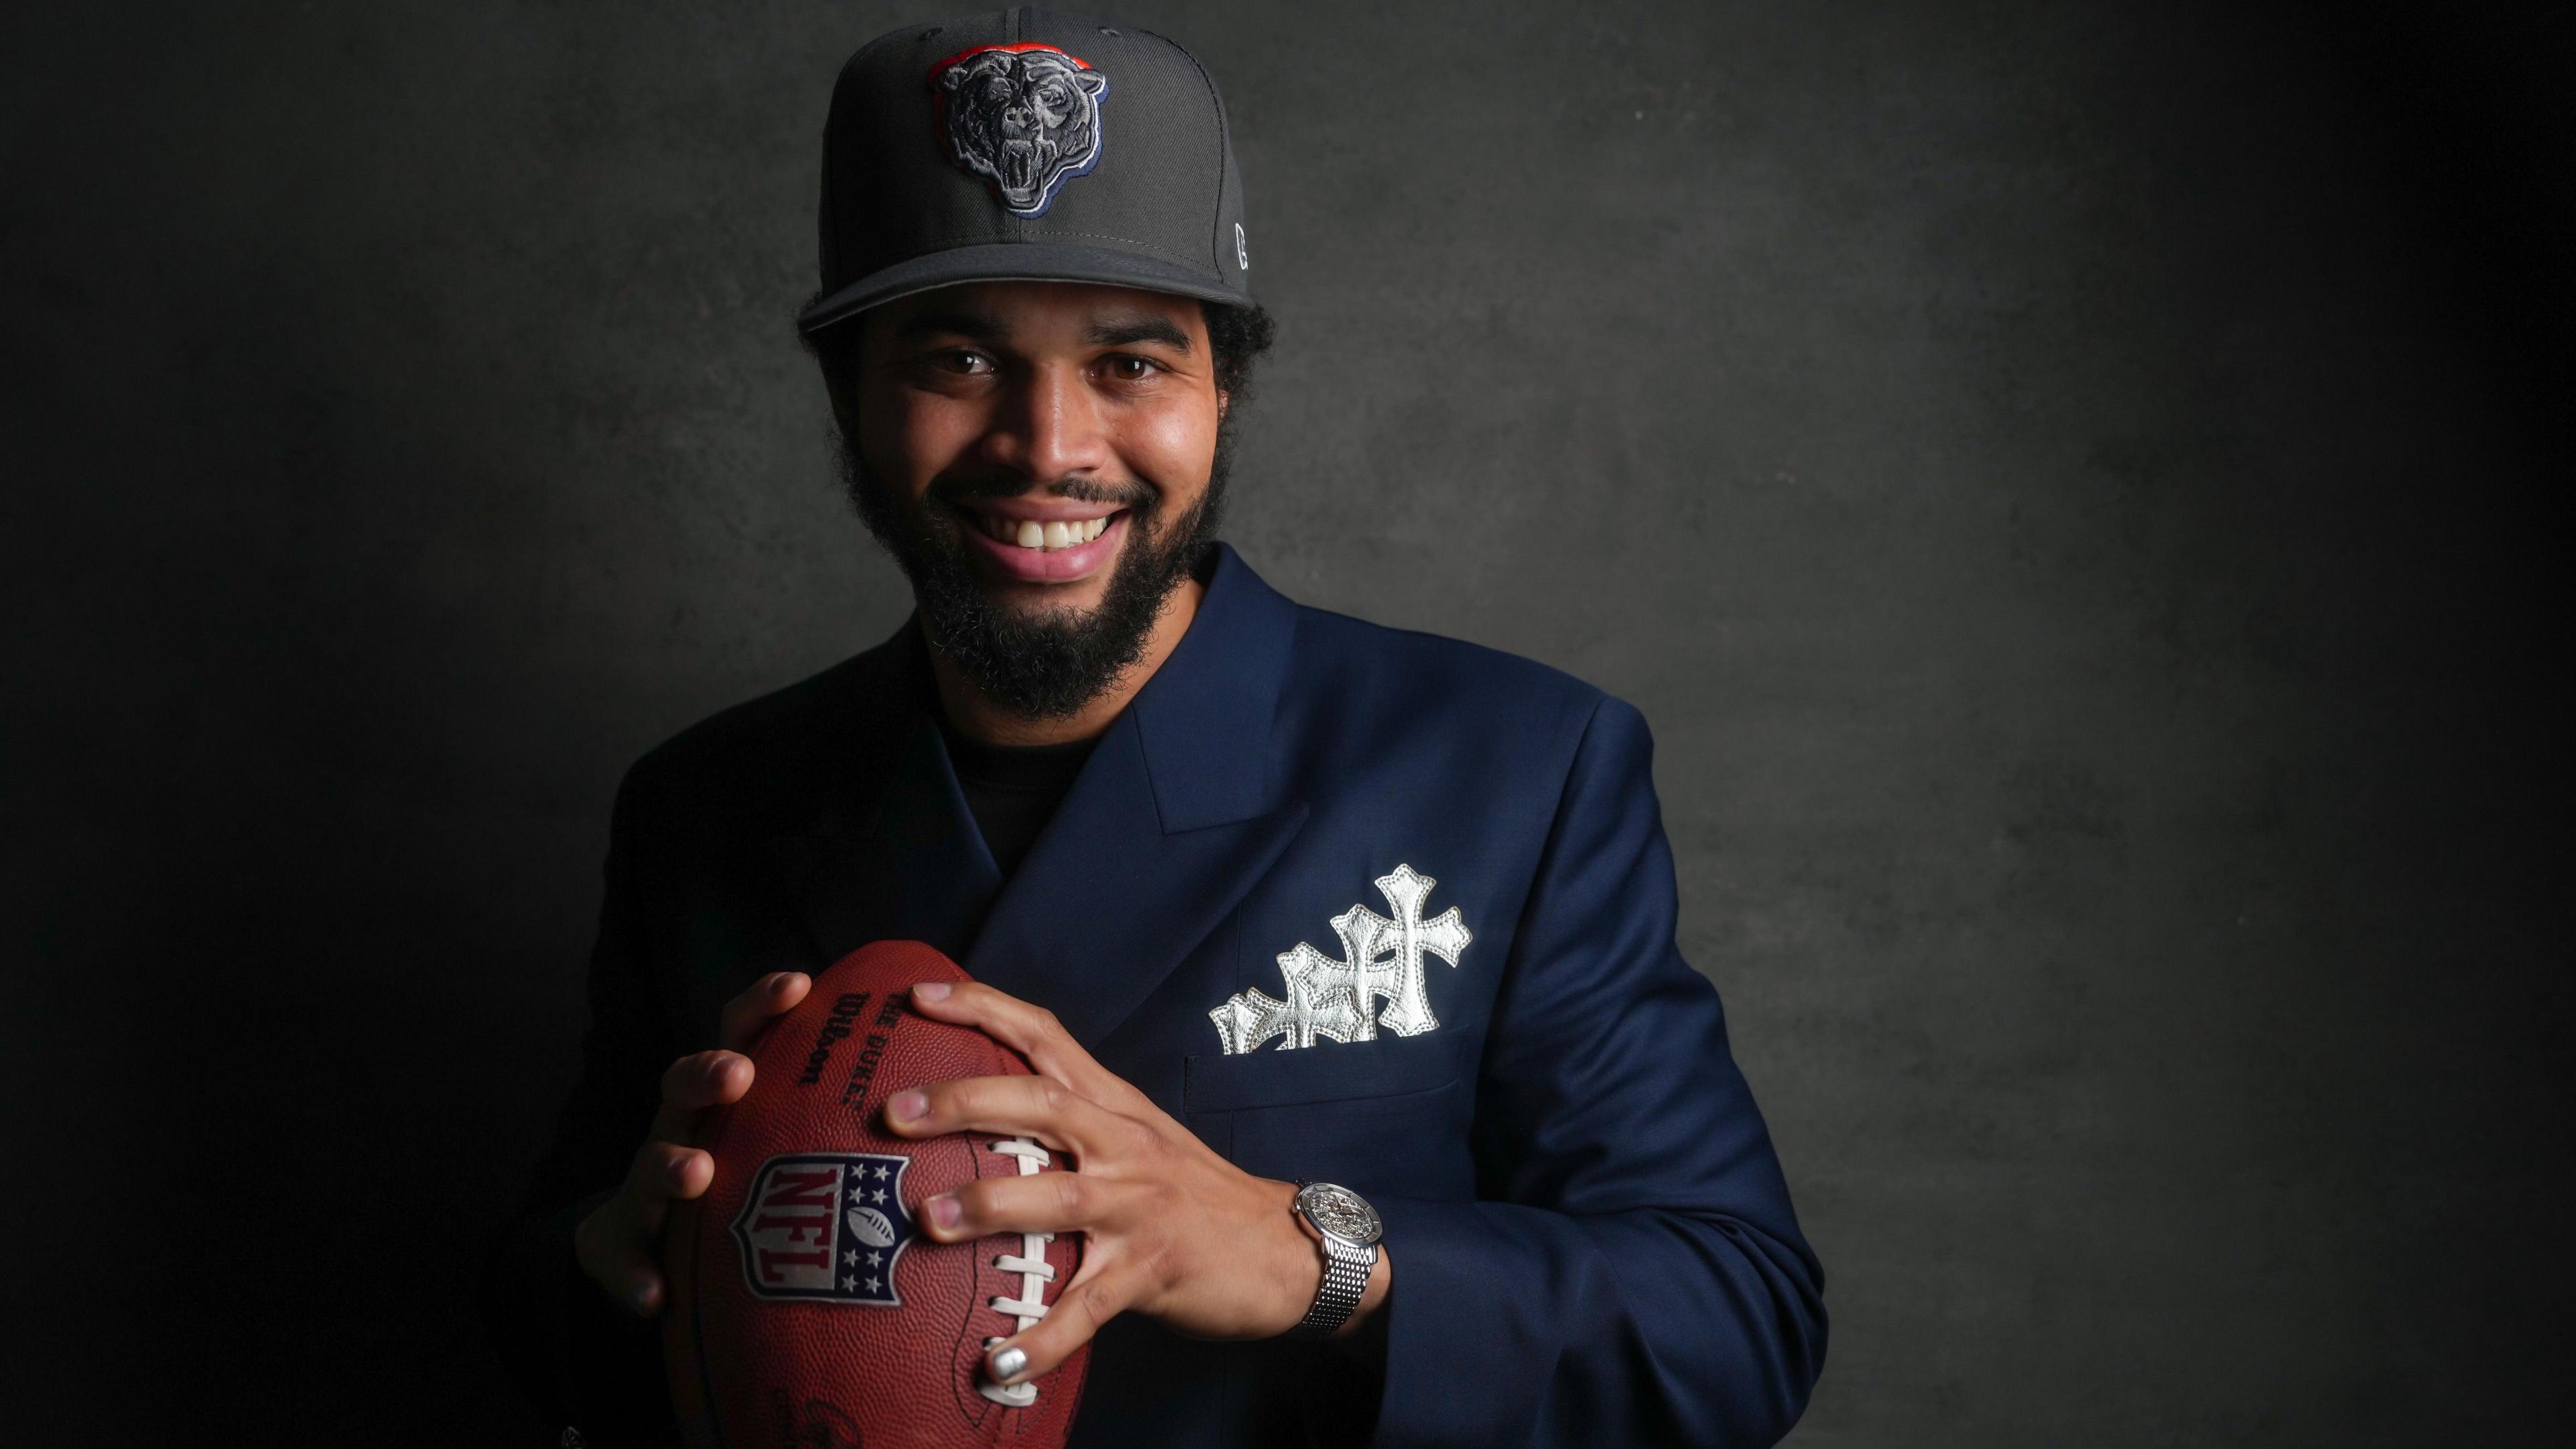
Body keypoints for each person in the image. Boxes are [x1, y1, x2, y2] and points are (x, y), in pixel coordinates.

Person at [484, 10, 1827, 1446]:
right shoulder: (708, 806)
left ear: (1221, 385)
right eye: (956, 359)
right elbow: (539, 1313)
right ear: (849, 397)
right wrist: (624, 1265)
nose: (1049, 445)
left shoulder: (1511, 770)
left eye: (1130, 362)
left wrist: (1310, 1258)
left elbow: (1734, 1326)